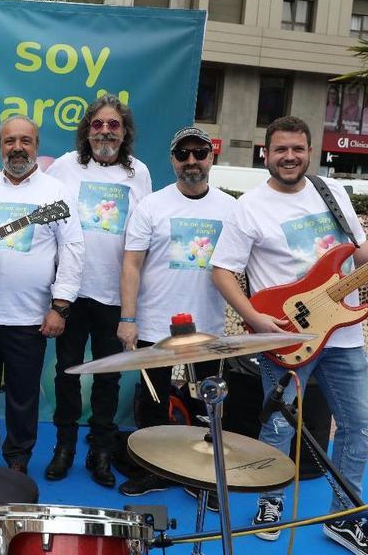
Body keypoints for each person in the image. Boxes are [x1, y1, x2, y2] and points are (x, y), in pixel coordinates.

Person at [211, 116, 368, 555]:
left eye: (297, 149)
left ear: (309, 151)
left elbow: (357, 248)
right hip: (285, 332)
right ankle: (269, 503)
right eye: (280, 150)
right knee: (277, 425)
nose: (289, 157)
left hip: (343, 335)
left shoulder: (331, 192)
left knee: (360, 427)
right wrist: (255, 318)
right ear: (266, 154)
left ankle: (342, 518)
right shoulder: (250, 206)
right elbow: (222, 270)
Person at [115, 126, 236, 500]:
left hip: (208, 327)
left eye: (199, 153)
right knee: (153, 403)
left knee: (208, 405)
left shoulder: (231, 208)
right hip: (154, 324)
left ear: (211, 157)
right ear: (172, 160)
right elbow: (131, 264)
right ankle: (155, 471)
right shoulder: (152, 205)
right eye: (182, 154)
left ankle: (203, 477)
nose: (191, 162)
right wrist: (128, 318)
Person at [0, 115, 84, 476]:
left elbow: (73, 250)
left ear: (36, 145)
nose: (17, 148)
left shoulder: (56, 193)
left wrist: (60, 307)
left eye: (25, 141)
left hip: (29, 318)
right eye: (10, 141)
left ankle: (17, 458)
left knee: (22, 395)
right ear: (0, 147)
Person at [43, 95, 152, 485]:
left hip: (114, 295)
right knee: (67, 372)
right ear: (86, 131)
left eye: (113, 125)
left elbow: (140, 237)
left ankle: (101, 451)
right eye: (98, 125)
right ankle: (64, 446)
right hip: (71, 293)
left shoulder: (138, 173)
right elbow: (34, 201)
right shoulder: (63, 168)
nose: (105, 131)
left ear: (125, 133)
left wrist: (129, 309)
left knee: (108, 376)